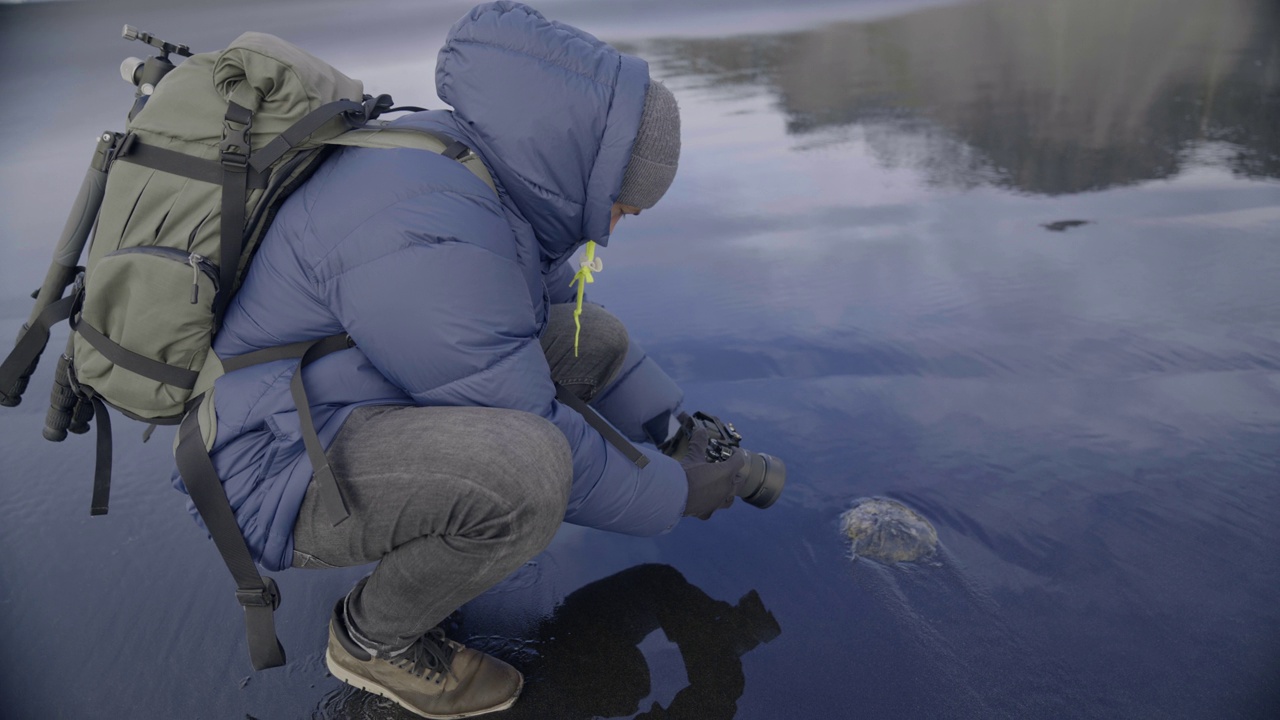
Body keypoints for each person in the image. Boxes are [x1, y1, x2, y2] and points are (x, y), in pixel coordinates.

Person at [177, 2, 749, 717]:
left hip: (337, 396)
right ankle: (371, 639)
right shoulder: (430, 224)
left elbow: (572, 329)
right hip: (269, 463)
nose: (618, 226)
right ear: (588, 172)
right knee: (528, 472)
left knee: (586, 333)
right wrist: (679, 493)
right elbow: (542, 443)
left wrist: (677, 432)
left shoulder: (479, 172)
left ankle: (449, 545)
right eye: (624, 207)